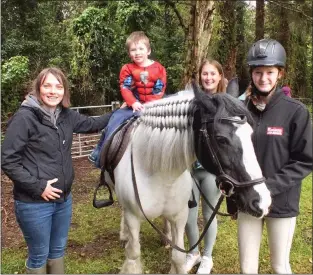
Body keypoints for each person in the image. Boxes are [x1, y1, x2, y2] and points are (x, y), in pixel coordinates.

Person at [1, 67, 113, 274]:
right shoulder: (24, 118)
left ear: (64, 91)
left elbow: (92, 123)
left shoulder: (66, 116)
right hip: (34, 203)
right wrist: (38, 186)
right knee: (39, 255)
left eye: (58, 87)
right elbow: (8, 160)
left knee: (58, 250)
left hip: (63, 200)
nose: (53, 91)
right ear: (38, 89)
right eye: (47, 86)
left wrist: (121, 111)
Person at [237, 38, 312, 274]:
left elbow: (305, 160)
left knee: (280, 266)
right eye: (258, 72)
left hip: (281, 202)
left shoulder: (295, 112)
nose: (263, 78)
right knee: (247, 268)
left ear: (280, 73)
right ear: (251, 73)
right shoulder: (240, 111)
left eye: (269, 72)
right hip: (248, 200)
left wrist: (268, 187)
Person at [88, 31, 167, 166]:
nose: (137, 52)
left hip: (155, 103)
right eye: (133, 50)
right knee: (115, 119)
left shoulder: (159, 68)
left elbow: (159, 89)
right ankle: (99, 151)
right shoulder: (127, 68)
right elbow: (125, 88)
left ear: (148, 51)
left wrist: (149, 105)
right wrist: (133, 102)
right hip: (134, 103)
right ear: (129, 53)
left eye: (141, 48)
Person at [185, 59, 227, 274]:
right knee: (188, 215)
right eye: (205, 74)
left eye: (213, 74)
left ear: (220, 76)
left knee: (209, 214)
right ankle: (193, 253)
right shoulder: (192, 103)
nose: (208, 78)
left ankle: (207, 257)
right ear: (200, 77)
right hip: (190, 169)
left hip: (212, 172)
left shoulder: (225, 104)